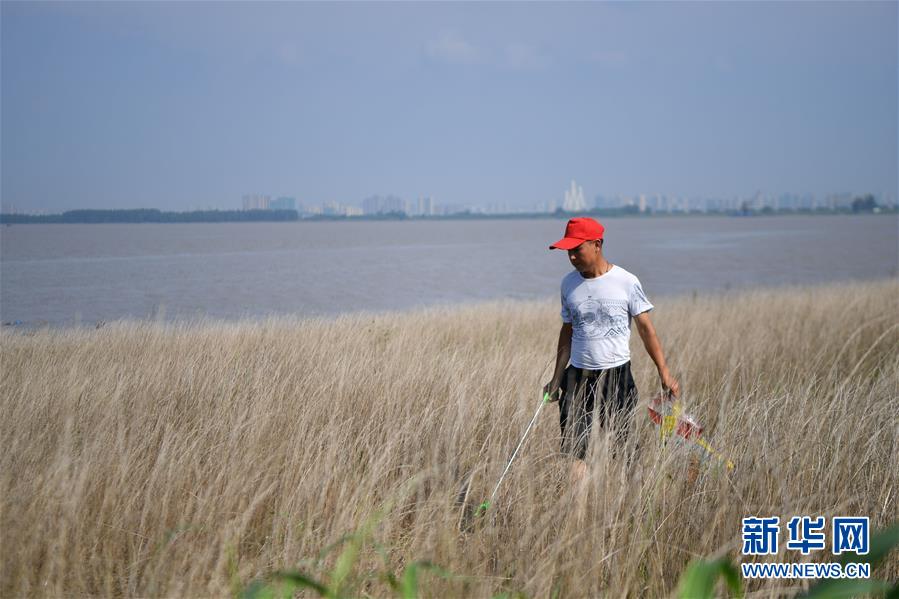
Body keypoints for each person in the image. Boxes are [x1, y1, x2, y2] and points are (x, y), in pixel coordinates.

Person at [542, 216, 680, 485]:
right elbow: (567, 332)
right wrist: (556, 378)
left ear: (597, 244)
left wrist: (664, 372)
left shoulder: (626, 281)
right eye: (567, 251)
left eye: (576, 249)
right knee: (573, 451)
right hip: (576, 378)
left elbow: (646, 330)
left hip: (616, 377)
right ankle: (576, 517)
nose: (571, 257)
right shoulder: (568, 284)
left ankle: (636, 507)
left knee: (625, 449)